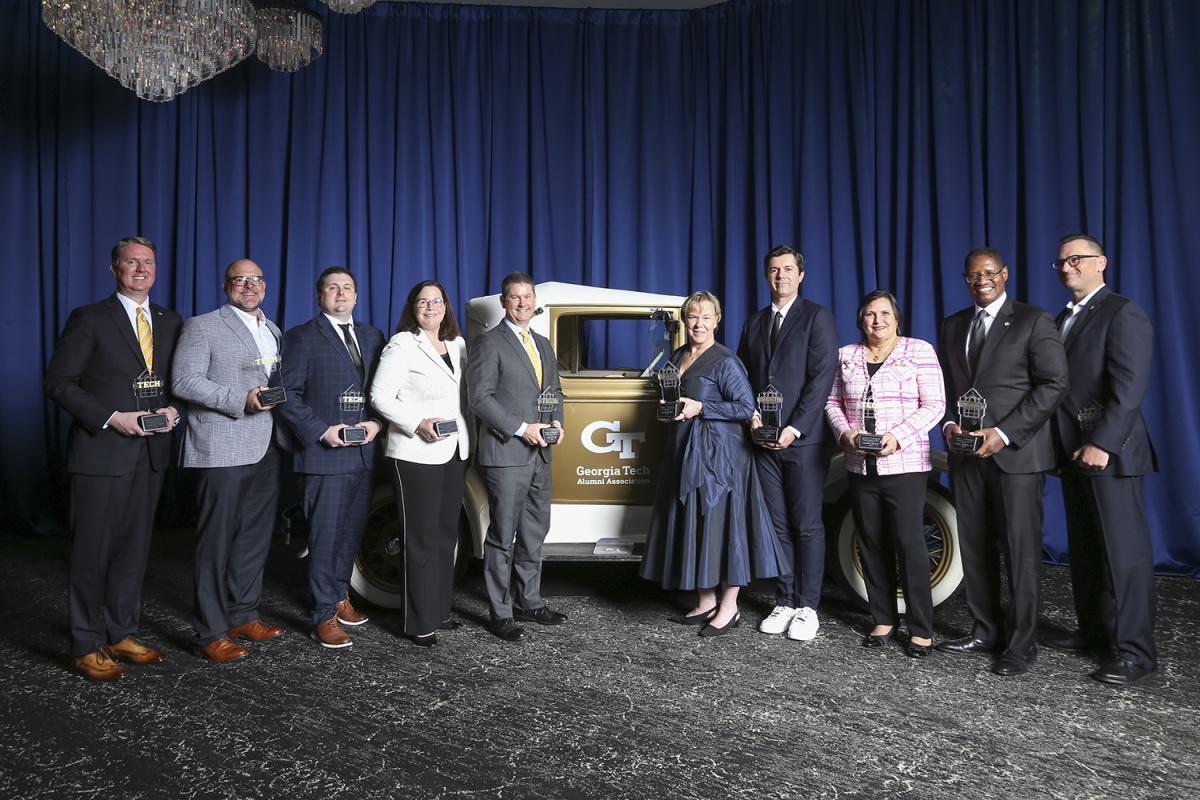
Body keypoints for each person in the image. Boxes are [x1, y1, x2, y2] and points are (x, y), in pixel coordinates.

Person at [44, 236, 182, 680]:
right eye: (131, 262)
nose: (140, 269)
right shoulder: (90, 318)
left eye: (148, 262)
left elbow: (171, 383)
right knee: (92, 551)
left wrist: (174, 408)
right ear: (114, 269)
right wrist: (111, 417)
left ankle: (122, 631)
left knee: (133, 551)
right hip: (102, 454)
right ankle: (85, 642)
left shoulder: (169, 320)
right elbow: (60, 383)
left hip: (150, 454)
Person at [936, 247, 1067, 676]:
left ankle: (1021, 642)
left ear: (1004, 274)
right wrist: (951, 425)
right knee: (974, 545)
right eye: (973, 275)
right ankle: (984, 629)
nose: (982, 281)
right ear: (965, 280)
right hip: (967, 456)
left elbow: (1053, 385)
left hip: (1016, 455)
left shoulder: (1033, 320)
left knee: (1020, 550)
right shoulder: (954, 325)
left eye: (989, 273)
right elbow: (951, 389)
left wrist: (1004, 433)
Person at [1046, 233, 1158, 685]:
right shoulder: (1063, 318)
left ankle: (1137, 652)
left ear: (1101, 263)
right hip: (1074, 452)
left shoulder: (1122, 312)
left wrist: (1104, 443)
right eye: (1061, 263)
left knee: (1124, 554)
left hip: (1110, 453)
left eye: (1076, 259)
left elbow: (1128, 387)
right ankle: (1095, 633)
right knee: (1089, 550)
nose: (1068, 267)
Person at [640, 291, 784, 636]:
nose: (698, 324)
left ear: (717, 320)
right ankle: (706, 601)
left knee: (724, 530)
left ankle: (730, 607)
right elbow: (674, 398)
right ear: (684, 320)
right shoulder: (678, 355)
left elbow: (745, 407)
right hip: (684, 452)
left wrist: (702, 408)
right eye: (692, 317)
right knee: (697, 526)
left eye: (706, 317)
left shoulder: (725, 361)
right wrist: (668, 409)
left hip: (721, 459)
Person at [172, 258, 288, 663]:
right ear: (226, 286)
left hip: (267, 445)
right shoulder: (202, 325)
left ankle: (243, 614)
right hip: (222, 445)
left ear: (265, 285)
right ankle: (209, 631)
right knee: (215, 540)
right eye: (240, 280)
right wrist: (239, 400)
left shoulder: (272, 329)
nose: (249, 285)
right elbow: (183, 381)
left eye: (256, 279)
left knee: (254, 536)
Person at [825, 291, 945, 657]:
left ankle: (921, 627)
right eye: (869, 314)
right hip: (860, 463)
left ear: (897, 318)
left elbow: (935, 404)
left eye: (884, 314)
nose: (877, 321)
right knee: (870, 539)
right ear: (861, 320)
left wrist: (899, 437)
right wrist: (845, 434)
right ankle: (883, 618)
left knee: (909, 543)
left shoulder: (919, 351)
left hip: (904, 463)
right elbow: (832, 402)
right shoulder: (846, 355)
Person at [276, 267, 385, 649]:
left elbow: (382, 392)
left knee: (350, 533)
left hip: (364, 455)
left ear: (356, 296)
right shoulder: (302, 337)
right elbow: (285, 394)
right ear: (319, 295)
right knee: (324, 537)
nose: (341, 294)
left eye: (347, 288)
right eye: (332, 288)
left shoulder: (373, 337)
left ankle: (340, 596)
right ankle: (322, 614)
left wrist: (376, 423)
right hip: (324, 455)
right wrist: (322, 431)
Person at [737, 244, 837, 642]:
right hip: (763, 440)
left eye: (788, 269)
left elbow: (820, 380)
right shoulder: (754, 322)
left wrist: (793, 428)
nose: (781, 275)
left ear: (801, 275)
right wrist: (753, 416)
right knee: (777, 525)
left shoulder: (817, 318)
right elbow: (743, 375)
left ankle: (808, 607)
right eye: (774, 270)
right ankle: (785, 599)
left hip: (803, 441)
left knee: (807, 526)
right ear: (767, 276)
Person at [371, 281, 473, 647]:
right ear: (412, 307)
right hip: (415, 452)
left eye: (436, 301)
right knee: (420, 538)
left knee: (447, 536)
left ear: (446, 306)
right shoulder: (401, 344)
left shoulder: (458, 344)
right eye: (422, 302)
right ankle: (417, 622)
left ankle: (438, 611)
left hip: (454, 450)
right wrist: (417, 423)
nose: (430, 307)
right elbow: (379, 396)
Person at [467, 273, 566, 642]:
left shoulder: (542, 343)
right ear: (504, 302)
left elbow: (554, 390)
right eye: (515, 297)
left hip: (541, 453)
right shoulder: (489, 343)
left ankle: (530, 600)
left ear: (534, 301)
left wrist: (557, 420)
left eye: (527, 296)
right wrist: (522, 428)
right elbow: (480, 398)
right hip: (507, 453)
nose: (522, 303)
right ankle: (501, 612)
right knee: (502, 535)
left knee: (534, 532)